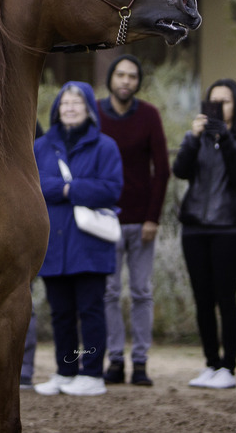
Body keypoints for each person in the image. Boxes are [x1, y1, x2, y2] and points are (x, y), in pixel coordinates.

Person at [33, 81, 123, 397]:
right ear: (57, 109)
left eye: (77, 103)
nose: (70, 108)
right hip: (53, 245)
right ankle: (66, 370)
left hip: (89, 246)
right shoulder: (41, 146)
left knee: (90, 311)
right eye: (65, 103)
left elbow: (111, 189)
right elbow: (34, 186)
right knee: (60, 314)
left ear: (89, 109)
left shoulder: (105, 146)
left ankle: (93, 372)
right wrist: (70, 189)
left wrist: (68, 189)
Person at [173, 78, 236, 390]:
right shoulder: (195, 138)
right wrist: (194, 138)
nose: (219, 107)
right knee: (202, 300)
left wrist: (225, 138)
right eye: (214, 101)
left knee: (226, 298)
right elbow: (180, 170)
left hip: (229, 230)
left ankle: (229, 367)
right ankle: (211, 363)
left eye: (225, 101)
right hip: (195, 228)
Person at [97, 54, 170, 387]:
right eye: (120, 75)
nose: (126, 81)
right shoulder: (95, 113)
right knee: (109, 292)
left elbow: (162, 171)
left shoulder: (150, 116)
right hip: (104, 220)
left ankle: (140, 362)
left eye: (132, 76)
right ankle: (114, 361)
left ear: (138, 82)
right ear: (111, 78)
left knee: (141, 292)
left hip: (141, 222)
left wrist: (152, 218)